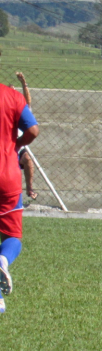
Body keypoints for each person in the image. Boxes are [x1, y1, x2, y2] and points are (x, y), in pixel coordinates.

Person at [0, 73, 39, 313]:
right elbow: (33, 130)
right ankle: (2, 262)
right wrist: (14, 145)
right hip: (7, 174)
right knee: (12, 237)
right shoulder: (12, 97)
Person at [16, 72, 35, 204]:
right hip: (4, 147)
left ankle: (29, 189)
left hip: (18, 147)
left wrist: (24, 84)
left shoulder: (20, 109)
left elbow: (27, 102)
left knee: (28, 159)